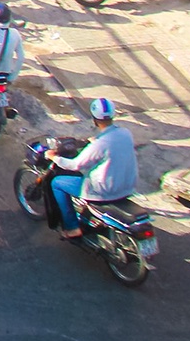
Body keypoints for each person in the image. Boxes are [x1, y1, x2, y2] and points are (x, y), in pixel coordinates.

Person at [51, 98, 136, 240]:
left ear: (94, 119)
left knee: (57, 183)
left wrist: (54, 157)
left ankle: (72, 228)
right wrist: (95, 141)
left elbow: (75, 165)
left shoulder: (99, 145)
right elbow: (113, 148)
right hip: (127, 187)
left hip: (103, 191)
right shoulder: (126, 133)